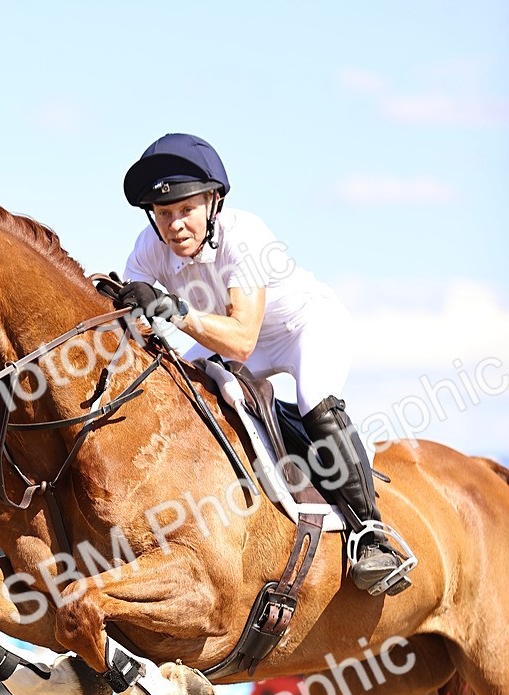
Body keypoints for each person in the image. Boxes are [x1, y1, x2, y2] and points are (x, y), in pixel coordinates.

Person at [114, 132, 413, 597]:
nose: (174, 226)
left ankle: (372, 534)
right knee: (172, 385)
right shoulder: (147, 248)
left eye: (185, 210)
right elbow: (135, 332)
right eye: (164, 214)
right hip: (228, 337)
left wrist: (170, 309)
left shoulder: (244, 235)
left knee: (316, 403)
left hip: (301, 330)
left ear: (213, 202)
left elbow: (241, 340)